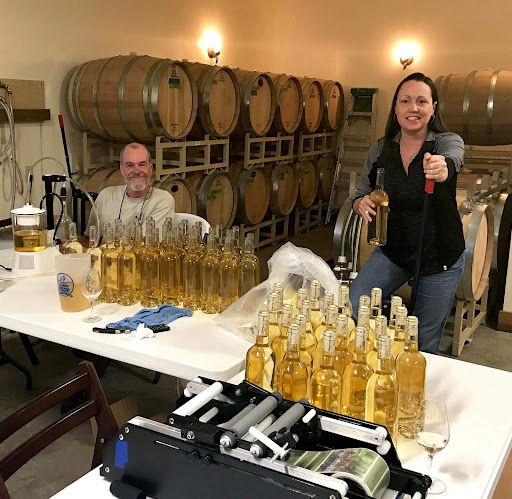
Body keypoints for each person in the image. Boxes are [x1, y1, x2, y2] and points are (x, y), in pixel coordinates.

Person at [349, 72, 465, 355]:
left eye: (421, 101)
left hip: (439, 258)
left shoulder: (445, 142)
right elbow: (360, 192)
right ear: (396, 108)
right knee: (354, 304)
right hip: (393, 253)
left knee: (422, 342)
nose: (413, 108)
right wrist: (360, 203)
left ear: (433, 108)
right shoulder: (381, 148)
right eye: (405, 101)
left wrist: (442, 167)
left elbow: (453, 159)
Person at [86, 142, 174, 238]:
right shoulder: (105, 195)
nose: (137, 171)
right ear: (122, 169)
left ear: (150, 168)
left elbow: (147, 244)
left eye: (142, 164)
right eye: (130, 165)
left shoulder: (162, 200)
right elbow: (90, 238)